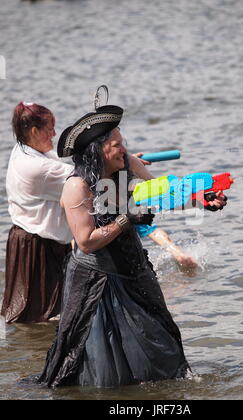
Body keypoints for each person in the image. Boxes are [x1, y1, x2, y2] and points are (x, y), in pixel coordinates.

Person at [36, 101, 191, 388]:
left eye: (124, 144)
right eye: (118, 144)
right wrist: (126, 219)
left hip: (135, 269)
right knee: (106, 363)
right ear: (98, 149)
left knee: (162, 339)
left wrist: (203, 200)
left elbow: (163, 195)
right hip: (98, 281)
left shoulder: (127, 164)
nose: (124, 149)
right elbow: (85, 242)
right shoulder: (77, 186)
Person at [1, 102, 73, 323]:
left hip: (28, 240)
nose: (54, 134)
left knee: (32, 317)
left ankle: (27, 350)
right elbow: (85, 180)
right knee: (42, 316)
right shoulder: (36, 167)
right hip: (39, 248)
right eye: (50, 128)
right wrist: (119, 163)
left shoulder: (23, 150)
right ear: (34, 131)